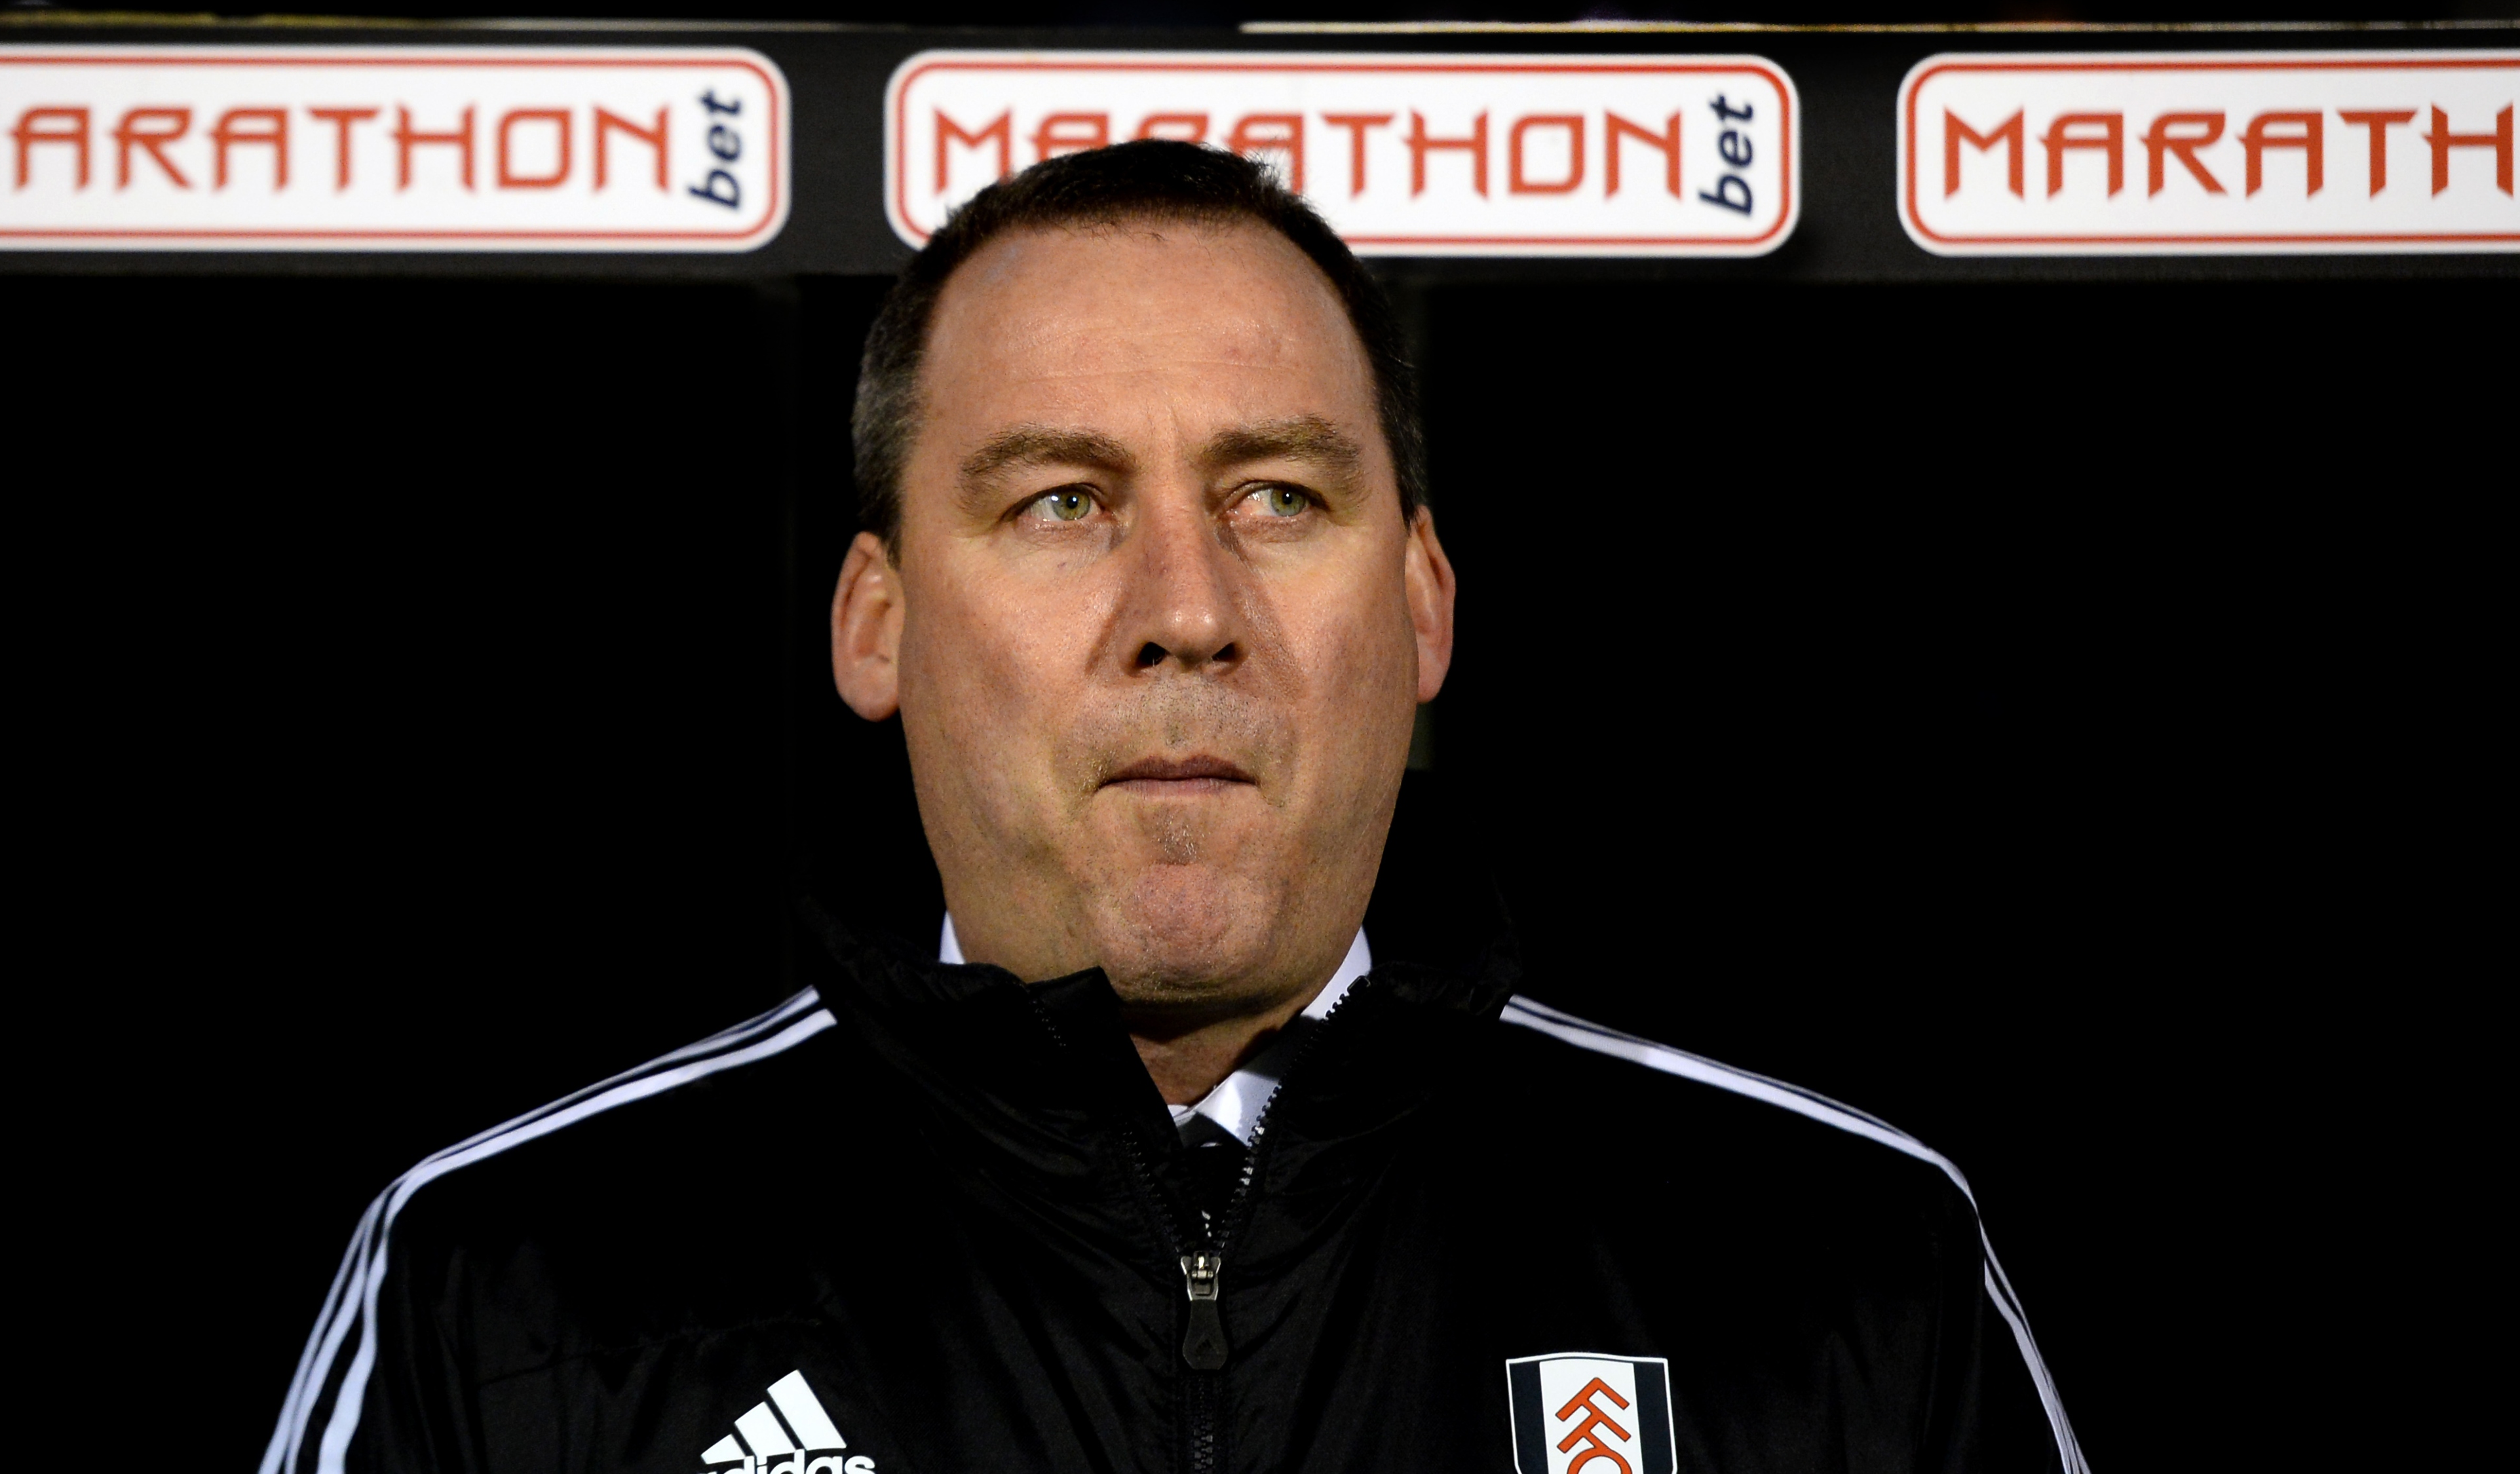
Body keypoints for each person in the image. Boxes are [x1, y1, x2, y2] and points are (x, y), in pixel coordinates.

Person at [263, 140, 2085, 1474]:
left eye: (1278, 496)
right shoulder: (504, 1284)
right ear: (875, 621)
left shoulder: (1845, 1265)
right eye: (1061, 501)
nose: (1187, 608)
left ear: (1426, 601)